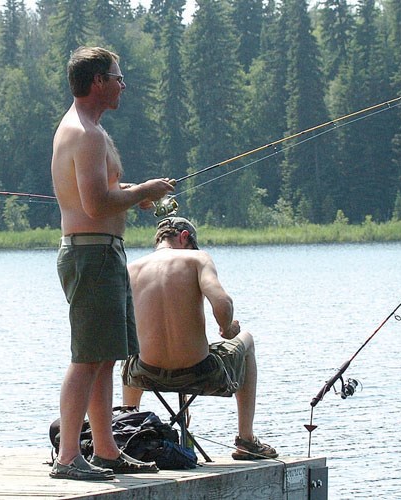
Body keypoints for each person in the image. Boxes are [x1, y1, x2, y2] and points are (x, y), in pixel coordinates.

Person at [50, 46, 176, 480]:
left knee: (105, 356)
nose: (124, 85)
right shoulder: (84, 133)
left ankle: (105, 450)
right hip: (90, 253)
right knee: (86, 357)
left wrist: (136, 191)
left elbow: (106, 190)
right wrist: (144, 192)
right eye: (118, 78)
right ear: (98, 82)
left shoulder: (91, 131)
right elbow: (96, 201)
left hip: (103, 251)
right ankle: (68, 458)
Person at [122, 217, 279, 460]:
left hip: (146, 374)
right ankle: (246, 439)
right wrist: (227, 329)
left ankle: (128, 426)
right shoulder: (197, 259)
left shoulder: (132, 268)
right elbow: (222, 302)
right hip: (200, 372)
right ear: (185, 237)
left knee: (129, 352)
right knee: (247, 340)